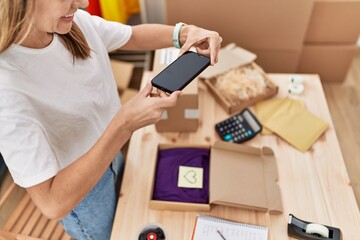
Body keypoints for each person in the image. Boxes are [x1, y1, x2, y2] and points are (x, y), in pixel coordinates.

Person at [0, 0, 222, 239]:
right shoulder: (7, 90)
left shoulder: (74, 23)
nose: (84, 3)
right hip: (84, 194)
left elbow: (132, 36)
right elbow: (53, 204)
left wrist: (185, 33)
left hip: (112, 151)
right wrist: (124, 125)